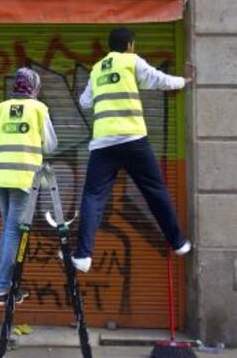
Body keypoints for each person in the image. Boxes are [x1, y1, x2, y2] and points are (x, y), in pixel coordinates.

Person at [73, 27, 194, 273]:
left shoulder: (97, 69)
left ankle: (83, 256)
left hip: (103, 144)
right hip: (132, 139)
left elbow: (84, 102)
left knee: (93, 197)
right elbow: (158, 79)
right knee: (155, 190)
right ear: (129, 44)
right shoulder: (131, 60)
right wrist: (184, 80)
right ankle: (178, 243)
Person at [0, 67, 58, 306]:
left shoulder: (0, 109)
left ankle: (9, 285)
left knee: (9, 230)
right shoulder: (38, 109)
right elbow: (51, 145)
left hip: (0, 178)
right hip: (23, 179)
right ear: (35, 87)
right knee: (12, 231)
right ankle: (2, 288)